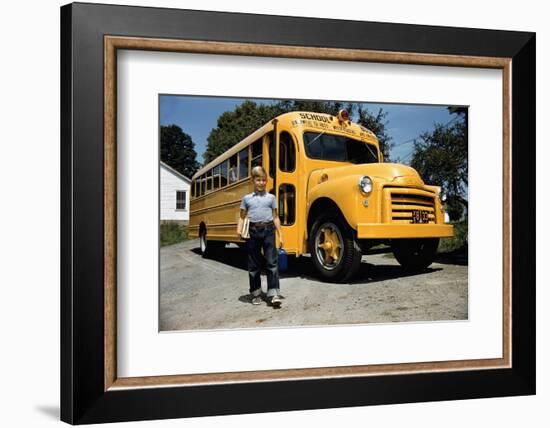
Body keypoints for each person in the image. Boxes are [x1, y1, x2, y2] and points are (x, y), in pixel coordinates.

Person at [237, 166, 284, 307]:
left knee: (272, 263)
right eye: (258, 180)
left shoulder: (271, 198)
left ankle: (274, 293)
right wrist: (239, 230)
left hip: (269, 230)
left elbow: (276, 218)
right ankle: (256, 293)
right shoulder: (247, 199)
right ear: (253, 180)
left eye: (264, 180)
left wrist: (280, 235)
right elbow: (242, 217)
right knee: (254, 265)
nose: (261, 183)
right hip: (253, 232)